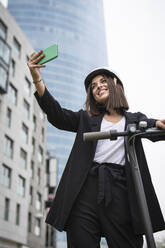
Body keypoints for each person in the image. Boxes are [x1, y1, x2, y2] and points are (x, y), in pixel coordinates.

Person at [27, 50, 165, 248]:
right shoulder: (86, 119)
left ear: (115, 84)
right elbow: (56, 114)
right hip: (85, 190)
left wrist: (159, 124)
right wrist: (37, 78)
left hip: (121, 190)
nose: (98, 87)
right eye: (93, 86)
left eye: (102, 81)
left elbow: (156, 127)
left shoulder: (136, 119)